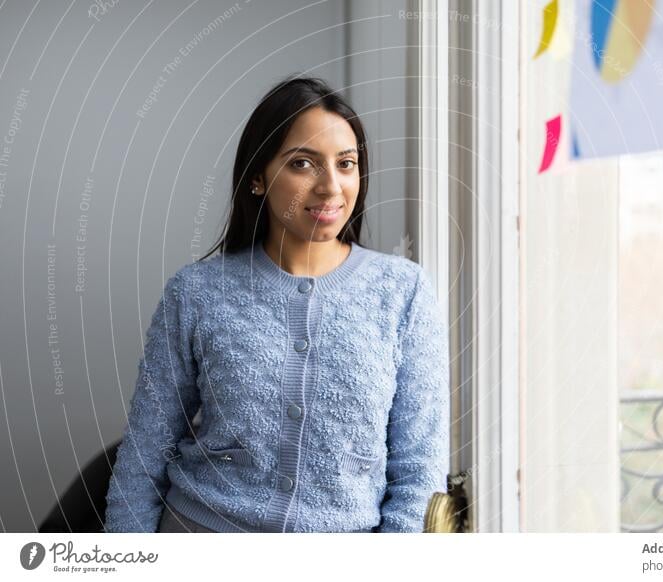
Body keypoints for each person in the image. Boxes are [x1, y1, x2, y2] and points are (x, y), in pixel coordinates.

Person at [103, 76, 450, 533]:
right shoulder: (197, 293)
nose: (331, 187)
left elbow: (419, 467)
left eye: (346, 164)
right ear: (257, 178)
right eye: (303, 163)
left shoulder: (403, 292)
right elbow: (146, 451)